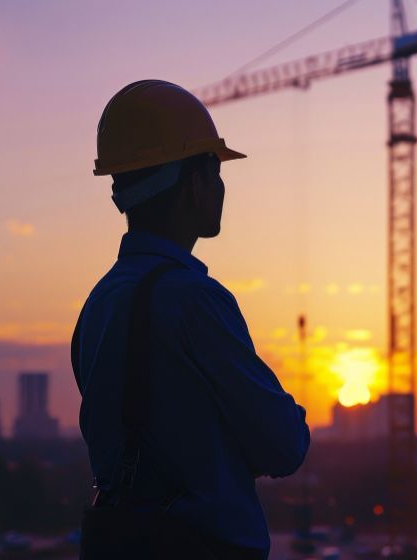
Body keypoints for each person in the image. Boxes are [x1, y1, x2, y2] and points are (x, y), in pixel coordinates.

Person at [71, 80, 310, 559]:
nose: (221, 187)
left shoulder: (98, 304)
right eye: (215, 171)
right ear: (194, 182)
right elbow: (284, 445)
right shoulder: (195, 301)